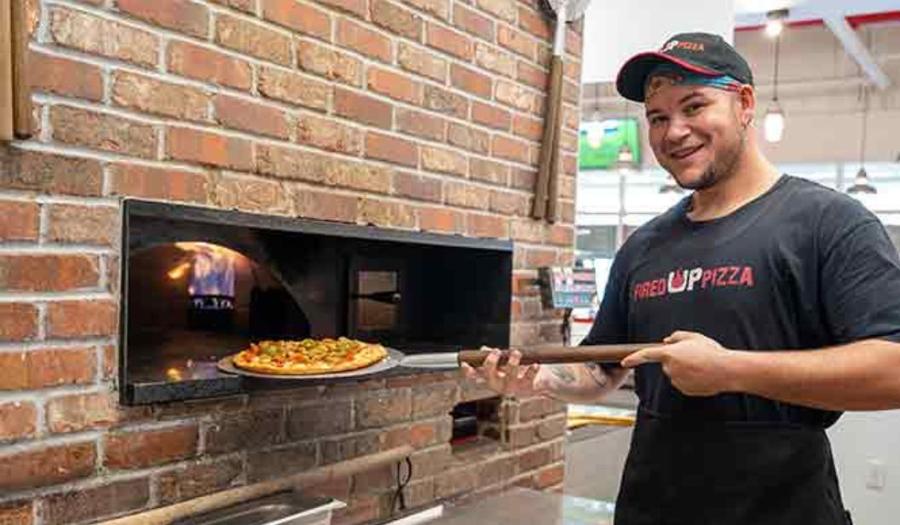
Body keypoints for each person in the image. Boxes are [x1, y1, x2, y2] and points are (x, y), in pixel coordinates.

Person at [463, 32, 900, 525]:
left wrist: (730, 370)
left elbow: (893, 369)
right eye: (657, 117)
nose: (673, 132)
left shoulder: (828, 223)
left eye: (694, 106)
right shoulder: (644, 246)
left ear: (744, 103)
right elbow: (601, 369)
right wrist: (538, 378)